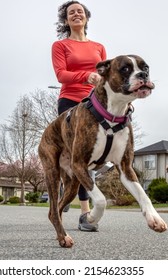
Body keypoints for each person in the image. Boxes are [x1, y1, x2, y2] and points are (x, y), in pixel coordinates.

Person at [51, 1, 106, 232]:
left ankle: (71, 188)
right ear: (66, 20)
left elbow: (106, 74)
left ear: (86, 18)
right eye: (71, 12)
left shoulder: (99, 47)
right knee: (78, 156)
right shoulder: (60, 45)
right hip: (70, 102)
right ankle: (85, 215)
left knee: (90, 154)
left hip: (95, 103)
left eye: (80, 11)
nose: (76, 14)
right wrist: (86, 76)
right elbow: (61, 75)